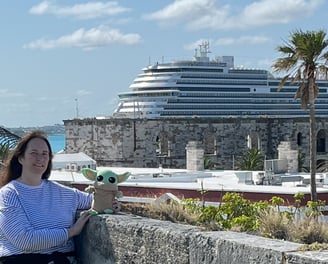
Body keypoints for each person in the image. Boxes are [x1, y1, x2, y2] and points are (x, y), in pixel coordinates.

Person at [0, 130, 119, 264]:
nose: (40, 158)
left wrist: (111, 203)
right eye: (34, 153)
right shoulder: (8, 195)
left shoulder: (62, 192)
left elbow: (95, 200)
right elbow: (24, 240)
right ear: (21, 158)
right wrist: (70, 232)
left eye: (45, 154)